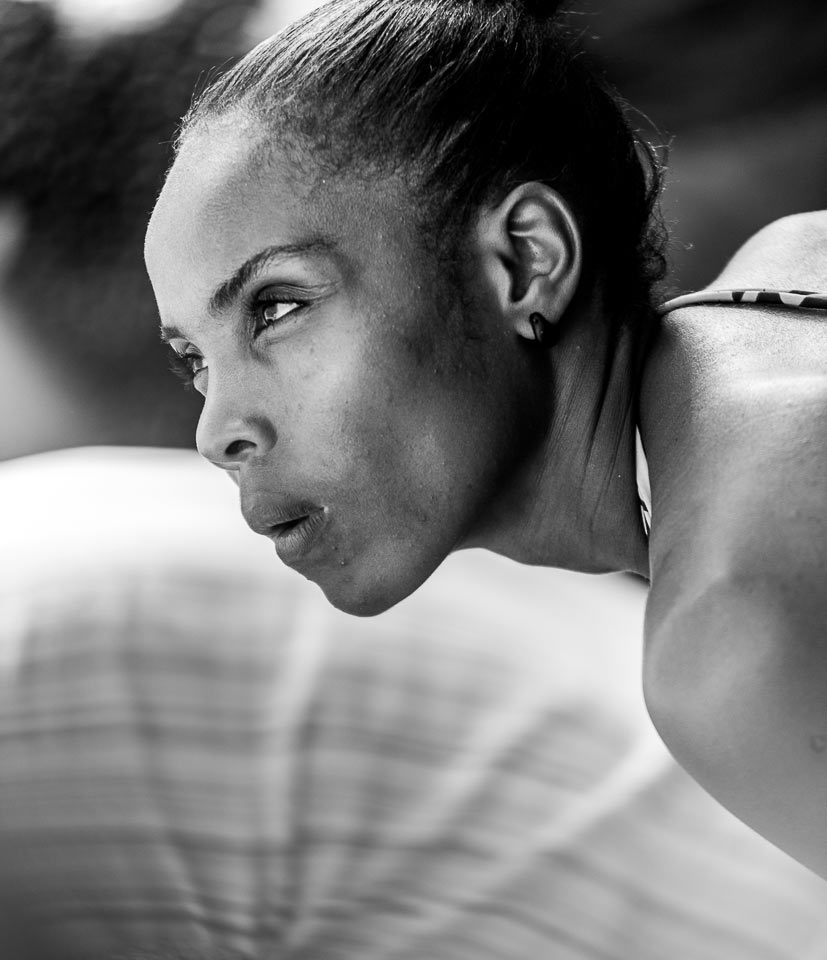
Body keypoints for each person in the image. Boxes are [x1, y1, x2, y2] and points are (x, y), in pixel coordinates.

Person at [144, 0, 827, 880]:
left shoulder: (736, 641)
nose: (216, 432)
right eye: (194, 363)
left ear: (526, 261)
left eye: (276, 308)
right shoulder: (798, 258)